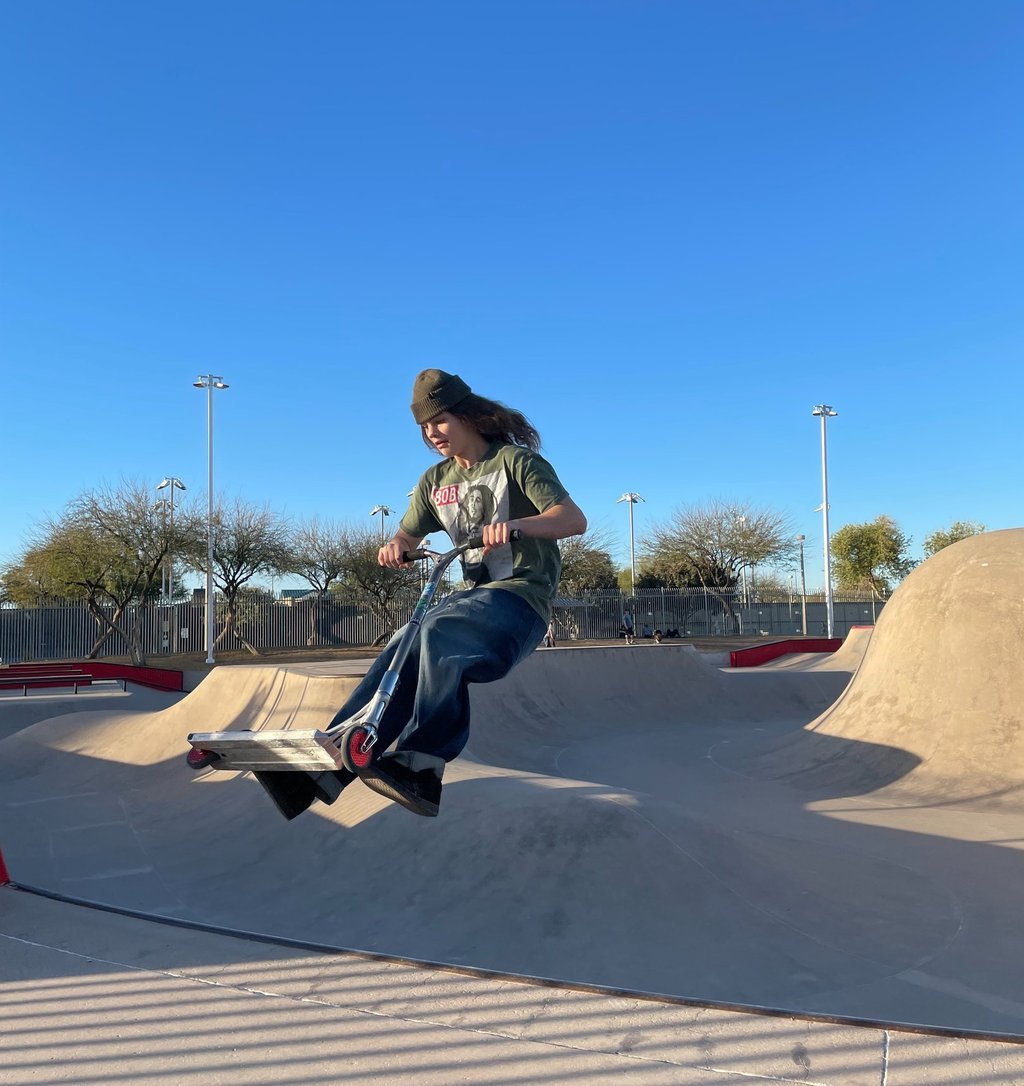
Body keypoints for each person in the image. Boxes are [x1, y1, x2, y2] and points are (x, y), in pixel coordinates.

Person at [255, 369, 587, 821]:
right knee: (403, 642)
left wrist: (515, 526)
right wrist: (395, 546)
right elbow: (407, 535)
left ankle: (422, 766)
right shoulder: (435, 481)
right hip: (475, 599)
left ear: (469, 415)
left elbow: (571, 519)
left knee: (439, 633)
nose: (432, 434)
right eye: (424, 427)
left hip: (520, 601)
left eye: (440, 421)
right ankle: (329, 765)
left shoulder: (516, 463)